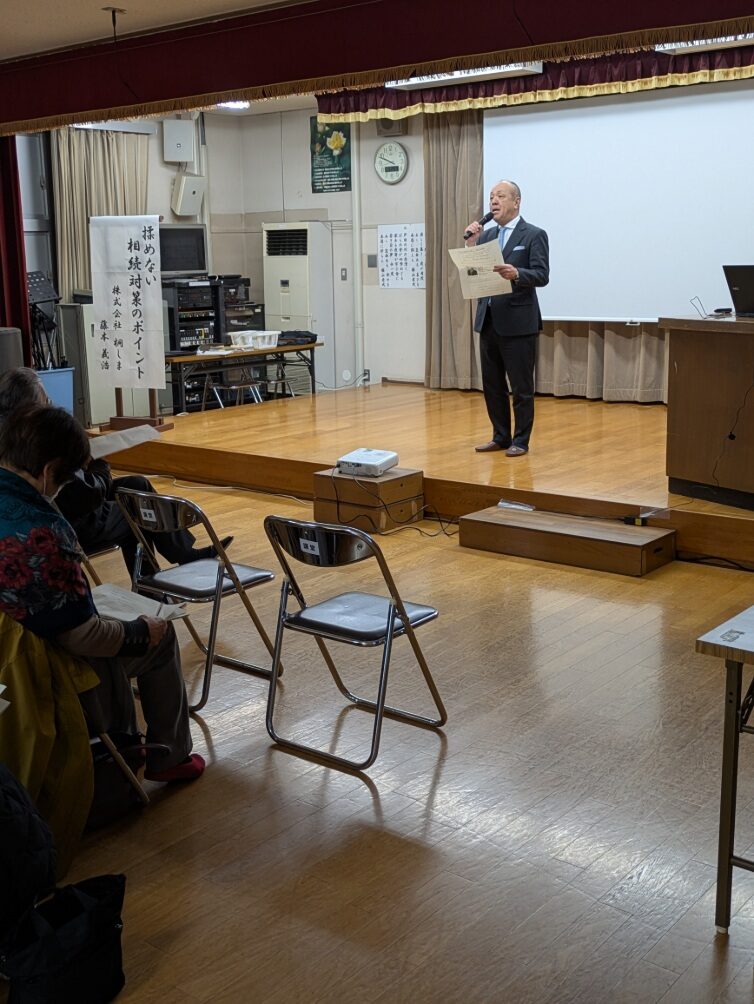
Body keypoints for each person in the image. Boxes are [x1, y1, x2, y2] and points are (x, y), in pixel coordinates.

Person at [0, 403, 204, 783]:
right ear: (47, 473)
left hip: (5, 663)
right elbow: (83, 637)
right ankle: (170, 758)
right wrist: (141, 631)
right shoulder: (43, 532)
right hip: (38, 670)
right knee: (160, 635)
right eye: (64, 480)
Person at [0, 367, 230, 574]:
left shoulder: (12, 433)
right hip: (72, 522)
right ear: (30, 408)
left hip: (53, 510)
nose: (50, 405)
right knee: (137, 512)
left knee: (137, 484)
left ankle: (183, 554)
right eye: (46, 401)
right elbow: (89, 495)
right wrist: (99, 462)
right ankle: (153, 595)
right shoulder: (40, 440)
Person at [464, 180, 550, 456]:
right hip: (488, 318)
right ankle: (500, 436)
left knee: (521, 387)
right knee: (492, 385)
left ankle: (520, 440)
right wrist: (471, 245)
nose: (494, 201)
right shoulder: (487, 236)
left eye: (501, 196)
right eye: (491, 196)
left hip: (518, 322)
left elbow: (542, 275)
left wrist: (517, 274)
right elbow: (474, 274)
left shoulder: (533, 235)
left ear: (517, 201)